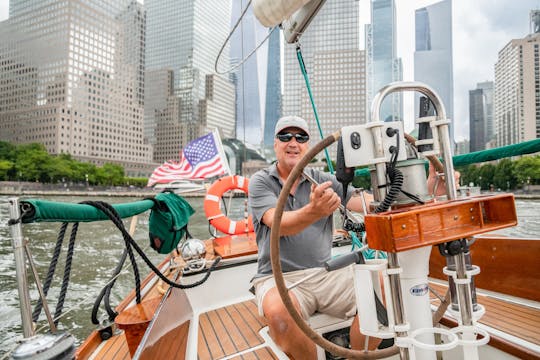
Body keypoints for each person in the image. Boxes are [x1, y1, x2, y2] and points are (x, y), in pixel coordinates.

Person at [248, 115, 457, 359]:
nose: (293, 142)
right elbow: (279, 224)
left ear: (307, 145)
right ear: (275, 144)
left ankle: (356, 356)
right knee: (279, 314)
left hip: (324, 273)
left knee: (386, 286)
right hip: (277, 277)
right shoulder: (261, 181)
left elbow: (375, 204)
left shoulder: (324, 181)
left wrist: (429, 191)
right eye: (285, 136)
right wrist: (313, 211)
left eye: (301, 137)